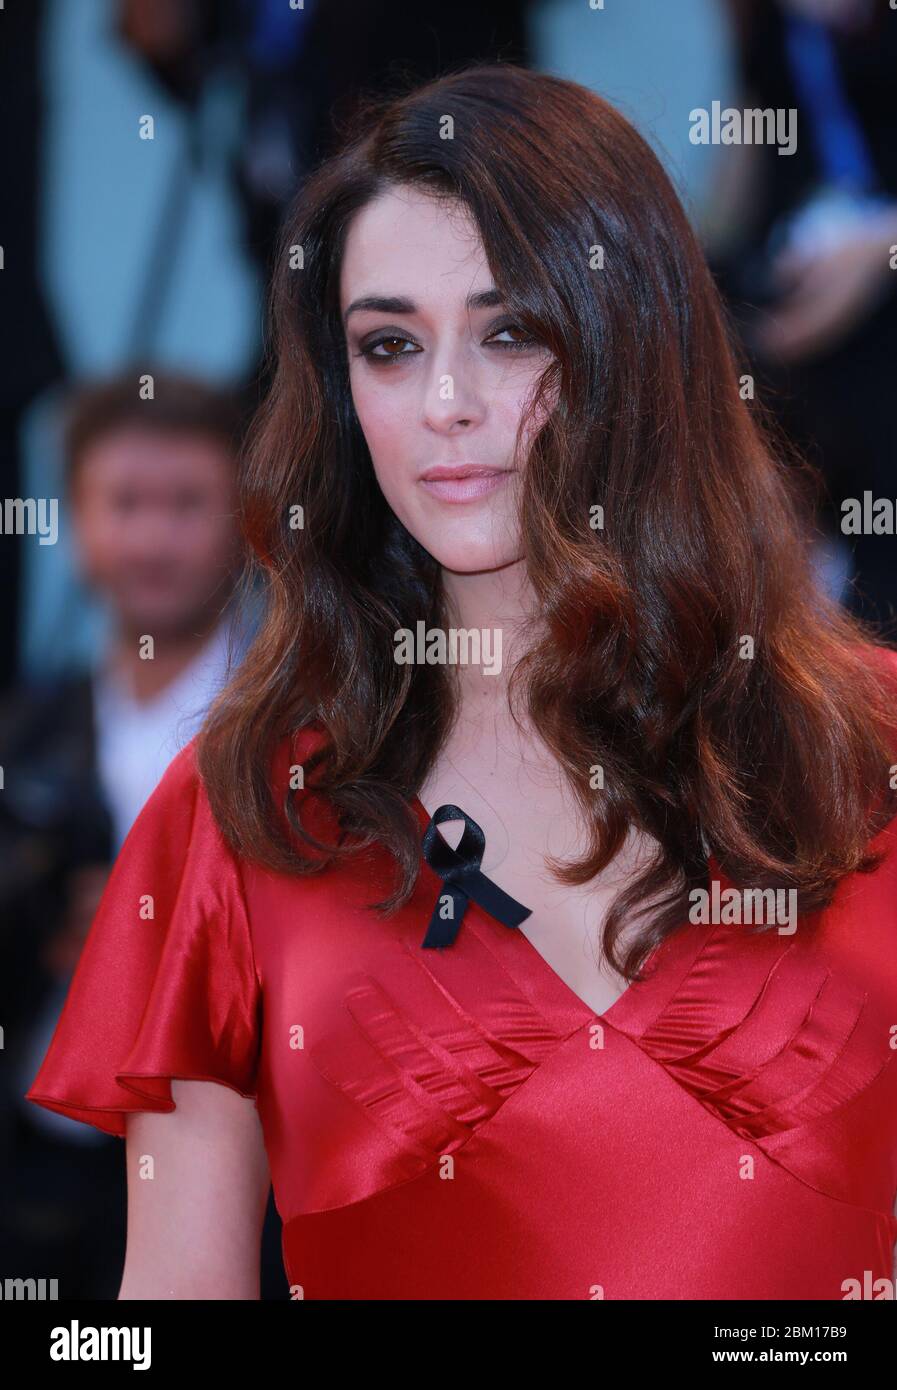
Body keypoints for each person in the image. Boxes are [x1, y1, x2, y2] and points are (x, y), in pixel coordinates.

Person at [25, 64, 897, 1301]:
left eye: (508, 332)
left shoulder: (870, 747)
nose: (444, 403)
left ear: (634, 345)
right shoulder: (244, 812)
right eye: (388, 345)